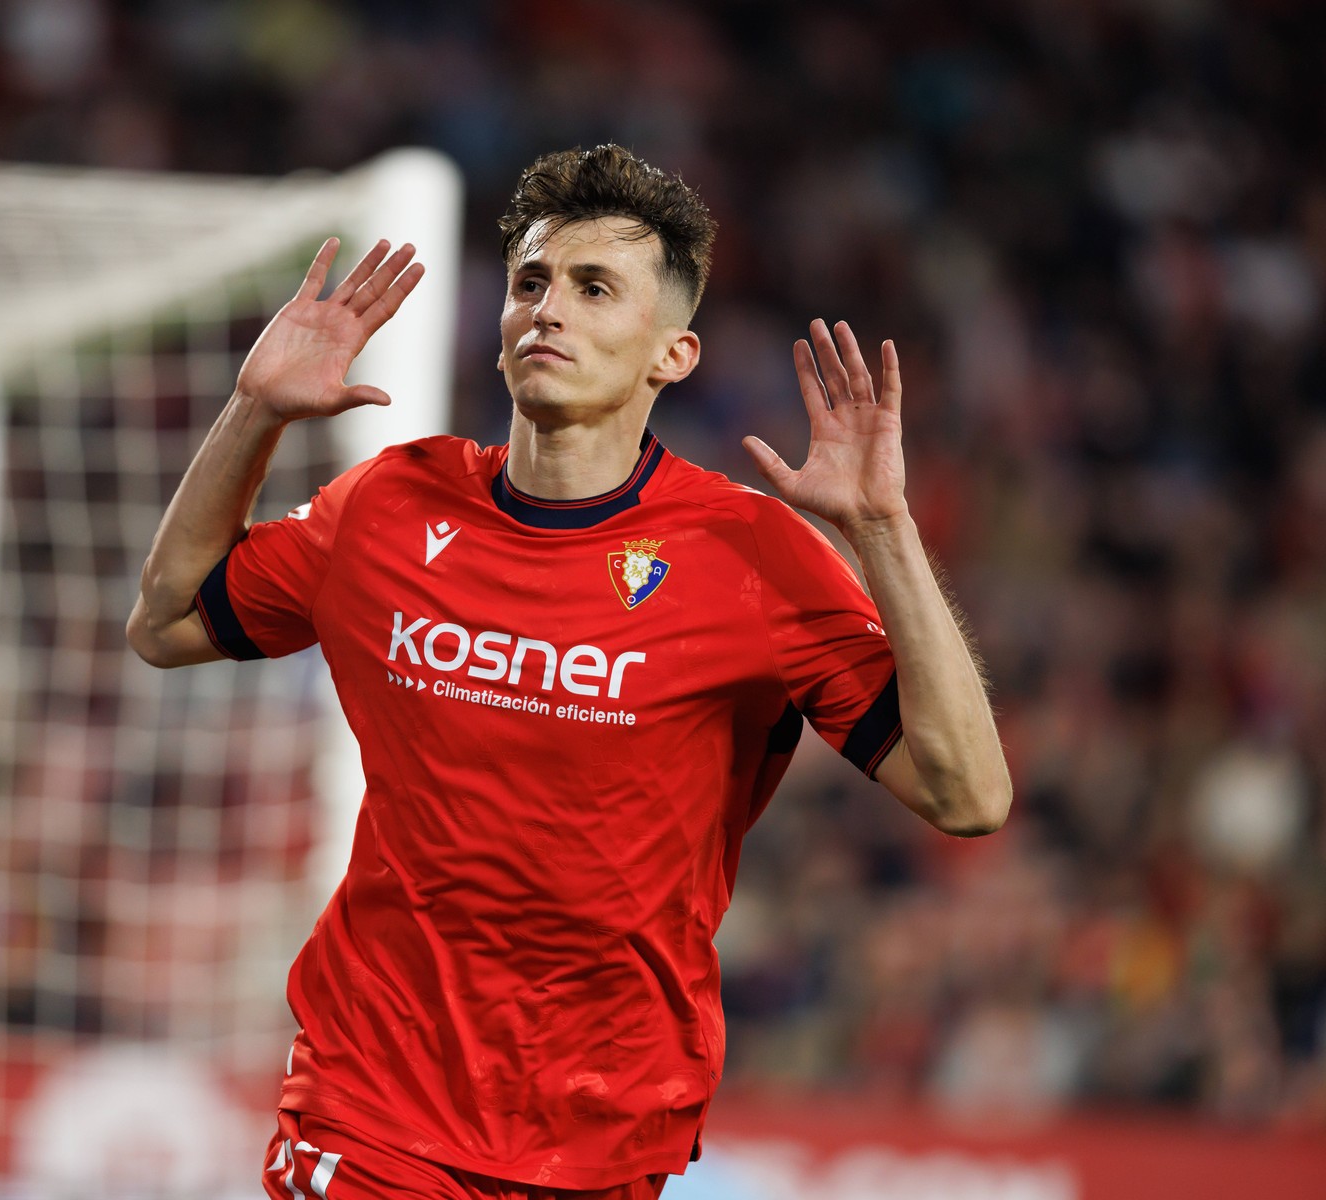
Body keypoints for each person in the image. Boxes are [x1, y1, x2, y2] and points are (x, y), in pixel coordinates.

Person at [128, 145, 1011, 1199]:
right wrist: (255, 411)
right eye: (530, 283)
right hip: (372, 1112)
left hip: (607, 1136)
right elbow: (168, 621)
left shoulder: (753, 558)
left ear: (670, 354)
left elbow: (969, 796)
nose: (547, 311)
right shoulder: (389, 506)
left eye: (595, 289)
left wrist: (883, 530)